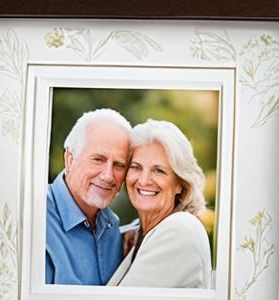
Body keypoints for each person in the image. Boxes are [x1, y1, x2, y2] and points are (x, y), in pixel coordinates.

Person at [108, 119, 213, 289]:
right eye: (136, 167)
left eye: (159, 170)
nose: (143, 180)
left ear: (180, 183)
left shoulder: (179, 231)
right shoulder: (145, 233)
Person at [46, 108, 131, 285]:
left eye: (119, 165)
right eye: (98, 159)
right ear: (70, 159)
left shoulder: (111, 226)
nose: (108, 176)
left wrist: (140, 234)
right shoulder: (34, 217)